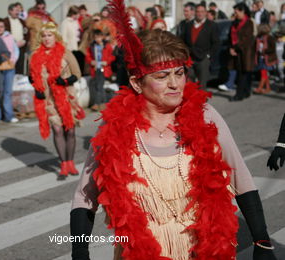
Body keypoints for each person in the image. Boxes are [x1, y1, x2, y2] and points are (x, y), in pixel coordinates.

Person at [70, 1, 278, 260]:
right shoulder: (115, 129)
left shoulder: (205, 115)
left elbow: (242, 181)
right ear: (136, 82)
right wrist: (79, 251)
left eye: (179, 73)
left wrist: (262, 241)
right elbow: (84, 198)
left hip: (204, 251)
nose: (175, 84)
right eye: (161, 76)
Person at [29, 22, 84, 178]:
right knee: (58, 130)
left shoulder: (65, 52)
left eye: (50, 35)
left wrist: (65, 81)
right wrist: (36, 89)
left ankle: (71, 162)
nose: (47, 39)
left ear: (56, 37)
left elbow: (77, 73)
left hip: (67, 97)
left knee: (71, 131)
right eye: (44, 36)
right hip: (48, 99)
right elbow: (30, 76)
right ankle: (63, 164)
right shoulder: (34, 55)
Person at [182, 4, 219, 89]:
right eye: (198, 11)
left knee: (202, 84)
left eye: (202, 12)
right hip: (190, 58)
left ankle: (202, 102)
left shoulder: (211, 25)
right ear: (195, 12)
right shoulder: (188, 25)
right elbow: (182, 40)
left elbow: (216, 43)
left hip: (203, 59)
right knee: (189, 83)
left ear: (206, 13)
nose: (200, 14)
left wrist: (209, 55)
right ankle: (190, 101)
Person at [0, 18, 19, 124]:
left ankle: (9, 115)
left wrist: (13, 61)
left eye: (1, 26)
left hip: (9, 67)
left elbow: (15, 50)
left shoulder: (10, 37)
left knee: (8, 92)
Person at [229, 3, 255, 101]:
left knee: (243, 73)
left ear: (243, 11)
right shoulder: (235, 22)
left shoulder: (249, 23)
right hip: (237, 51)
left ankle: (239, 94)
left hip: (245, 52)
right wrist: (231, 48)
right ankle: (245, 92)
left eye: (236, 12)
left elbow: (246, 39)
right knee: (242, 73)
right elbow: (231, 37)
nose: (235, 14)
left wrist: (235, 48)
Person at [86, 29, 115, 111]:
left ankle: (97, 103)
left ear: (102, 37)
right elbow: (88, 56)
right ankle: (103, 102)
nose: (97, 39)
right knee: (97, 86)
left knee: (99, 85)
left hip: (103, 68)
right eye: (96, 38)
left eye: (99, 37)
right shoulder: (92, 46)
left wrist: (107, 62)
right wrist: (91, 61)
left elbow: (112, 56)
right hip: (95, 68)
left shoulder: (107, 46)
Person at [253, 24, 278, 94]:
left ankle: (260, 88)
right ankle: (268, 88)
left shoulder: (270, 38)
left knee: (263, 73)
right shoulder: (258, 38)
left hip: (267, 58)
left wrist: (264, 51)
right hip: (260, 58)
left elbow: (272, 48)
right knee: (264, 73)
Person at [3, 3, 27, 74]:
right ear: (10, 11)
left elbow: (26, 32)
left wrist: (25, 41)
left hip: (21, 48)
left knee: (20, 67)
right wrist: (14, 44)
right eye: (15, 10)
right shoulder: (5, 21)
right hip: (10, 49)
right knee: (10, 66)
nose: (17, 12)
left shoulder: (22, 21)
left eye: (18, 10)